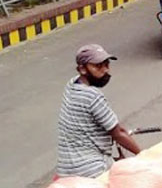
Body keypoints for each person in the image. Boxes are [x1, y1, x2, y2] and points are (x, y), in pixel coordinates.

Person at [57, 45, 141, 178]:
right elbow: (118, 133)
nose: (105, 70)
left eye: (106, 64)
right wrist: (144, 156)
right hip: (93, 170)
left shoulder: (71, 86)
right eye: (98, 66)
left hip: (66, 169)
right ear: (82, 69)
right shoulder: (93, 96)